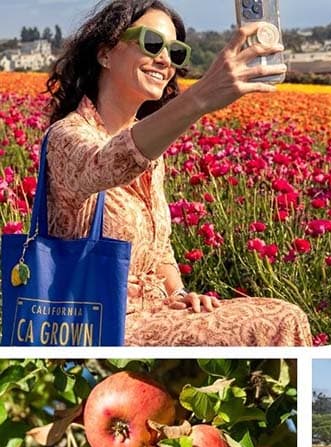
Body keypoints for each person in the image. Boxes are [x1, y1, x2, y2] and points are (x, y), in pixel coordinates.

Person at [44, 0, 312, 346]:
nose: (165, 60)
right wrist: (199, 97)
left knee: (282, 313)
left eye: (175, 51)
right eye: (152, 44)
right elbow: (107, 163)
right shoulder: (68, 137)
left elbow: (160, 247)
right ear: (105, 53)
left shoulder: (151, 151)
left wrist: (181, 293)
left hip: (158, 312)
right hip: (94, 322)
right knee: (275, 324)